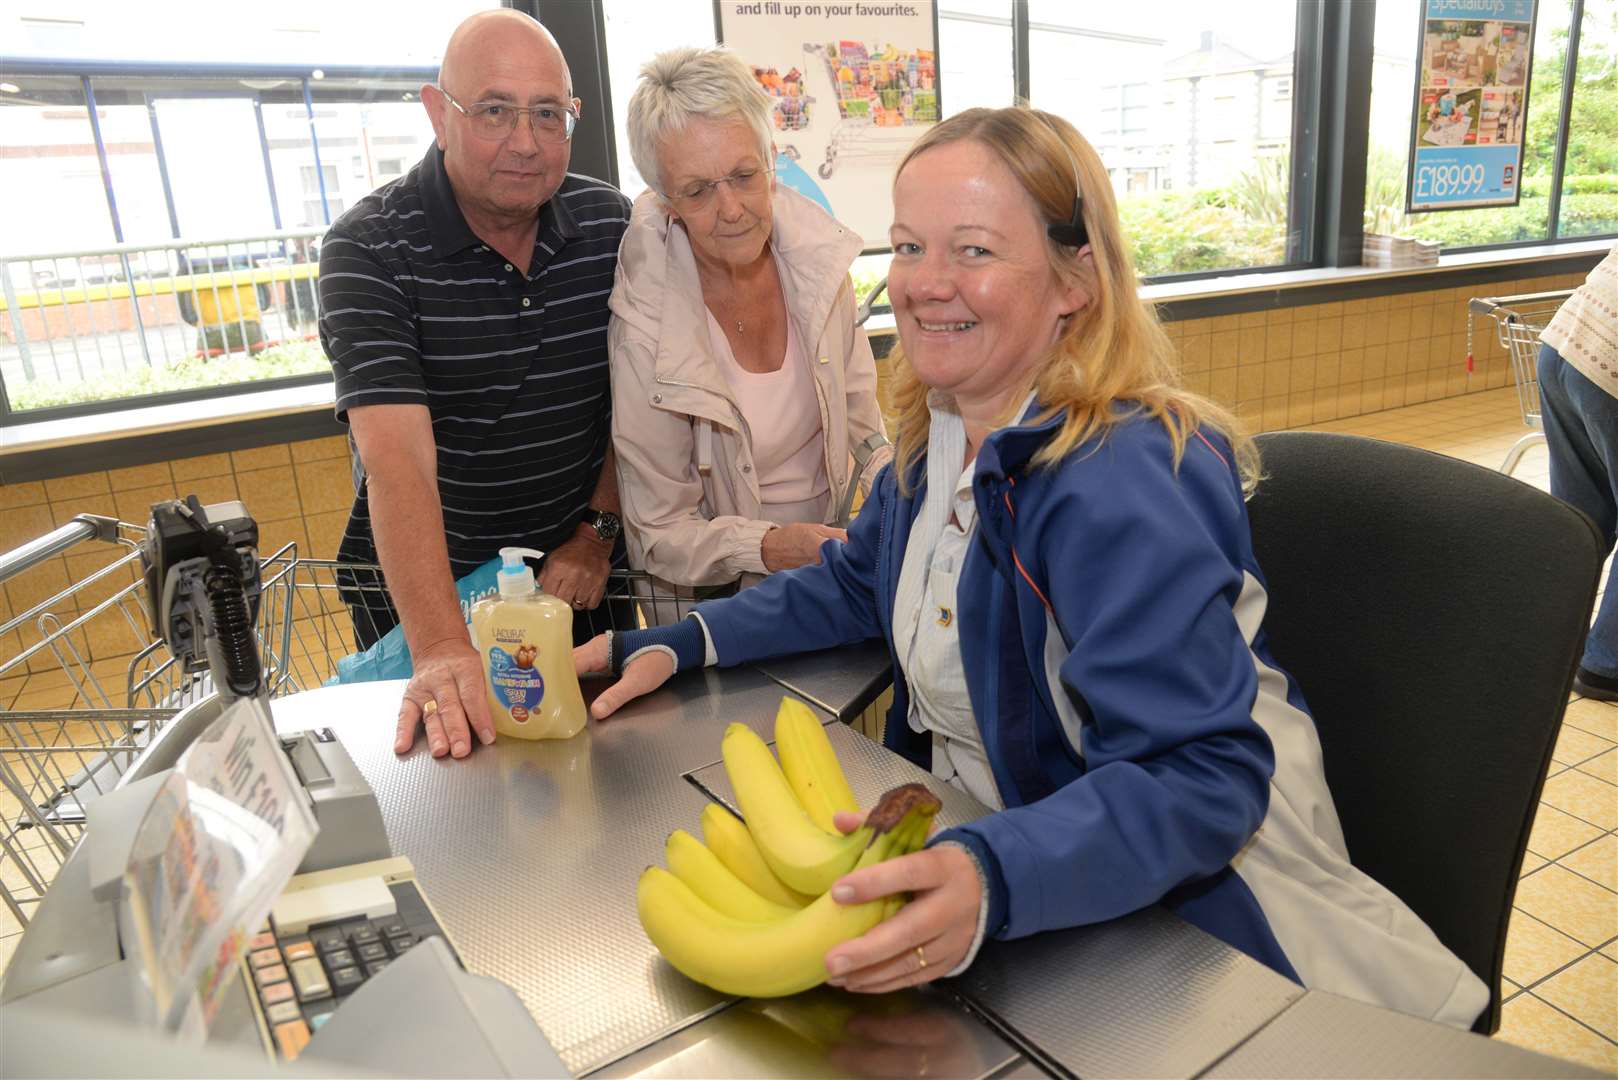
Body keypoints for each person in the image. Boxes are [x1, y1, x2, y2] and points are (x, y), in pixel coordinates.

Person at [577, 106, 1488, 1027]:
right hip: (1023, 860)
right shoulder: (939, 432)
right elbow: (865, 578)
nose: (925, 284)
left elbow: (1201, 777)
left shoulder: (1121, 479)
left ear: (1074, 279)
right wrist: (687, 640)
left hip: (1206, 928)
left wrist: (991, 872)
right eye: (908, 246)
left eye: (973, 251)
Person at [318, 9, 630, 761]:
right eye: (494, 110)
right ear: (438, 113)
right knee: (450, 788)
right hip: (424, 599)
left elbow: (640, 407)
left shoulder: (613, 227)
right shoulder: (369, 250)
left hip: (570, 581)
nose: (525, 141)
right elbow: (397, 461)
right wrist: (440, 647)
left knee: (583, 771)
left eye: (548, 114)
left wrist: (598, 531)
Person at [609, 47, 887, 610]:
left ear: (772, 159)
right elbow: (659, 530)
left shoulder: (822, 268)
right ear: (666, 204)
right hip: (712, 604)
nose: (731, 208)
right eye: (698, 190)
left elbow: (865, 431)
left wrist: (907, 493)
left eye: (743, 175)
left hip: (831, 575)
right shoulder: (646, 327)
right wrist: (771, 547)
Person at [1537, 245, 1618, 701]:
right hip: (1612, 376)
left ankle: (1547, 643)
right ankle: (1607, 665)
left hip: (1564, 347)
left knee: (1579, 520)